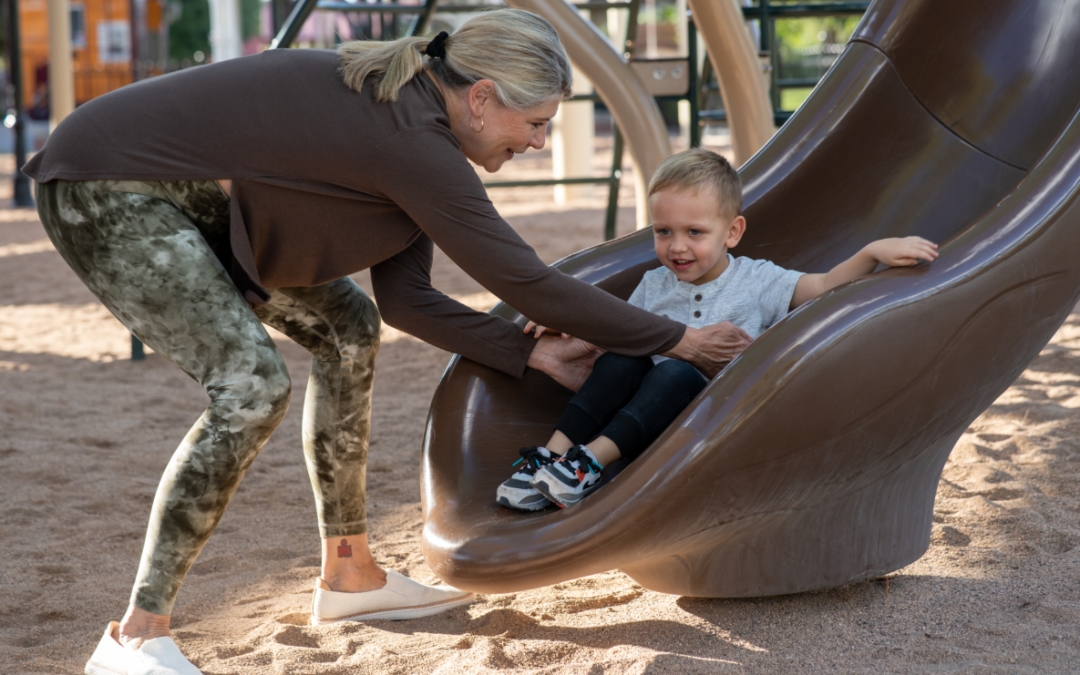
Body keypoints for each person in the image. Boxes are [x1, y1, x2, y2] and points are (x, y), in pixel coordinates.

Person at [23, 11, 751, 675]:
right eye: (532, 123)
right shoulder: (413, 140)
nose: (535, 142)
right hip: (109, 181)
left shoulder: (419, 128)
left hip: (201, 194)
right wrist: (681, 339)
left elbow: (404, 299)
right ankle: (133, 638)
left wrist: (527, 351)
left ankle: (350, 573)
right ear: (482, 98)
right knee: (250, 389)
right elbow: (526, 281)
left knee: (350, 329)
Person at [497, 148, 939, 510]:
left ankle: (590, 463)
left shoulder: (758, 279)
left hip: (703, 418)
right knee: (619, 358)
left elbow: (823, 286)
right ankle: (552, 457)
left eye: (695, 231)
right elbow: (611, 330)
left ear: (733, 232)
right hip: (641, 408)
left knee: (676, 371)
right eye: (663, 231)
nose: (677, 246)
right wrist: (566, 325)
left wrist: (871, 252)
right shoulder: (655, 283)